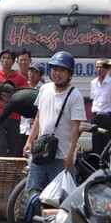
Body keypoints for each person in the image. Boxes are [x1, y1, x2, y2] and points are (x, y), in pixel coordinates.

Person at [23, 51, 86, 191]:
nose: (57, 73)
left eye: (62, 70)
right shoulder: (44, 89)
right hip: (40, 153)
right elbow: (39, 117)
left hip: (61, 157)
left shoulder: (75, 96)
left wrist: (70, 156)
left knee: (61, 199)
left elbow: (75, 128)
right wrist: (29, 141)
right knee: (31, 192)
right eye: (54, 69)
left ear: (70, 73)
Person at [90, 57, 111, 153]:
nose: (99, 69)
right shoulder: (93, 83)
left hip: (108, 116)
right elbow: (94, 99)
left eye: (102, 67)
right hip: (96, 116)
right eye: (97, 67)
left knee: (106, 143)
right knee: (96, 143)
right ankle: (95, 166)